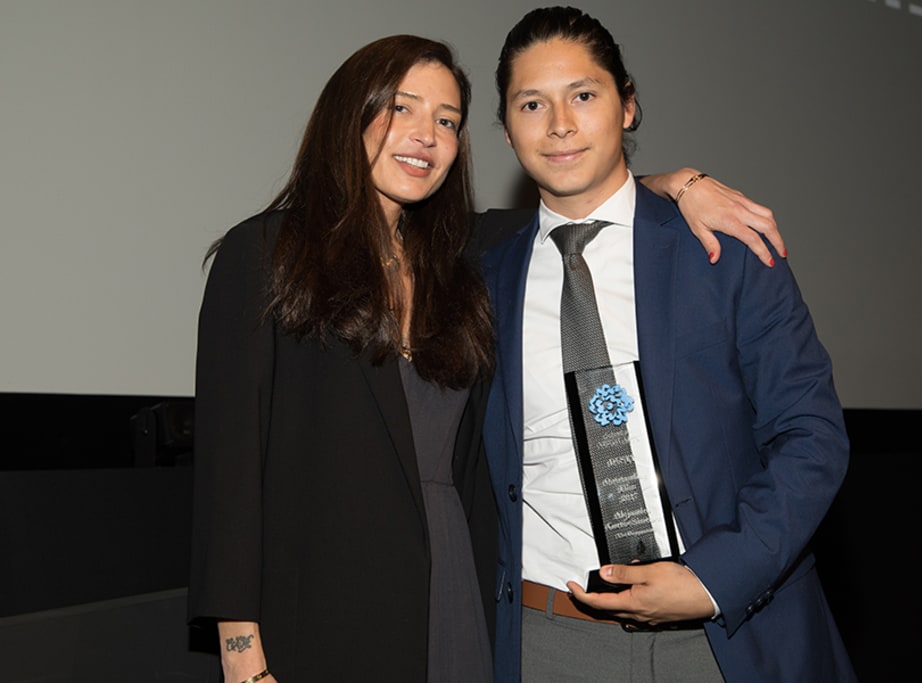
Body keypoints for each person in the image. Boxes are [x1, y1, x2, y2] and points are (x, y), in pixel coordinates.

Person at [188, 29, 783, 683]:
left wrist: (680, 182)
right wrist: (242, 656)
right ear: (348, 115)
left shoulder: (465, 259)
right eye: (402, 108)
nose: (426, 134)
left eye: (446, 120)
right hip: (325, 608)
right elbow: (230, 472)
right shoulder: (268, 253)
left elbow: (585, 190)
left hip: (461, 596)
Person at [481, 7, 855, 682]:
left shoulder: (723, 250)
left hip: (722, 635)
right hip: (549, 640)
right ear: (507, 129)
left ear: (627, 106)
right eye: (532, 103)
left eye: (584, 95)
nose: (559, 124)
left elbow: (812, 435)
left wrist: (713, 578)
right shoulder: (480, 279)